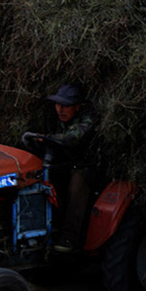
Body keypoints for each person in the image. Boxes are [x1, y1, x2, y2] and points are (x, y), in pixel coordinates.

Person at [30, 83, 96, 253]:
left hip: (85, 167)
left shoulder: (87, 119)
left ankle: (69, 237)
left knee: (77, 183)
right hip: (65, 164)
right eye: (58, 105)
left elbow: (73, 137)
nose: (60, 109)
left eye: (66, 106)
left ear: (78, 107)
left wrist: (48, 139)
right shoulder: (55, 120)